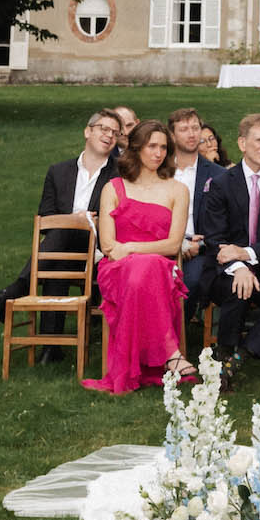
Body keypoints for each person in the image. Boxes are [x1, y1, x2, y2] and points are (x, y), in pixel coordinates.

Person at [0, 108, 122, 354]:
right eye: (104, 129)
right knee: (57, 259)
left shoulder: (119, 173)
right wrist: (73, 220)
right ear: (87, 131)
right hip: (61, 249)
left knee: (62, 233)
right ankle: (51, 350)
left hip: (98, 248)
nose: (109, 136)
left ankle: (14, 292)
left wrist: (78, 222)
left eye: (115, 133)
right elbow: (45, 215)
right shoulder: (59, 170)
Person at [82, 120, 195, 393]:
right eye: (151, 146)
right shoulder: (113, 188)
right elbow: (109, 245)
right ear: (136, 148)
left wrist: (132, 247)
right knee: (144, 269)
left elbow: (172, 245)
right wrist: (128, 252)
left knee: (150, 267)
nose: (157, 153)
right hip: (117, 269)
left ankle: (138, 366)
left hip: (158, 267)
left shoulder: (178, 190)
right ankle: (171, 354)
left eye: (163, 148)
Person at [199, 114, 260, 377]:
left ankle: (241, 355)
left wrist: (248, 254)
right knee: (237, 288)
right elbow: (214, 238)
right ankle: (225, 351)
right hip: (225, 270)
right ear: (243, 143)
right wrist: (239, 266)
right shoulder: (221, 184)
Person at [167, 107, 227, 319]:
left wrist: (199, 244)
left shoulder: (218, 175)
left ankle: (172, 340)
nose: (192, 134)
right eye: (184, 129)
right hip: (161, 245)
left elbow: (224, 222)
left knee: (189, 282)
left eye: (195, 128)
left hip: (199, 249)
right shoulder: (160, 171)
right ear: (172, 136)